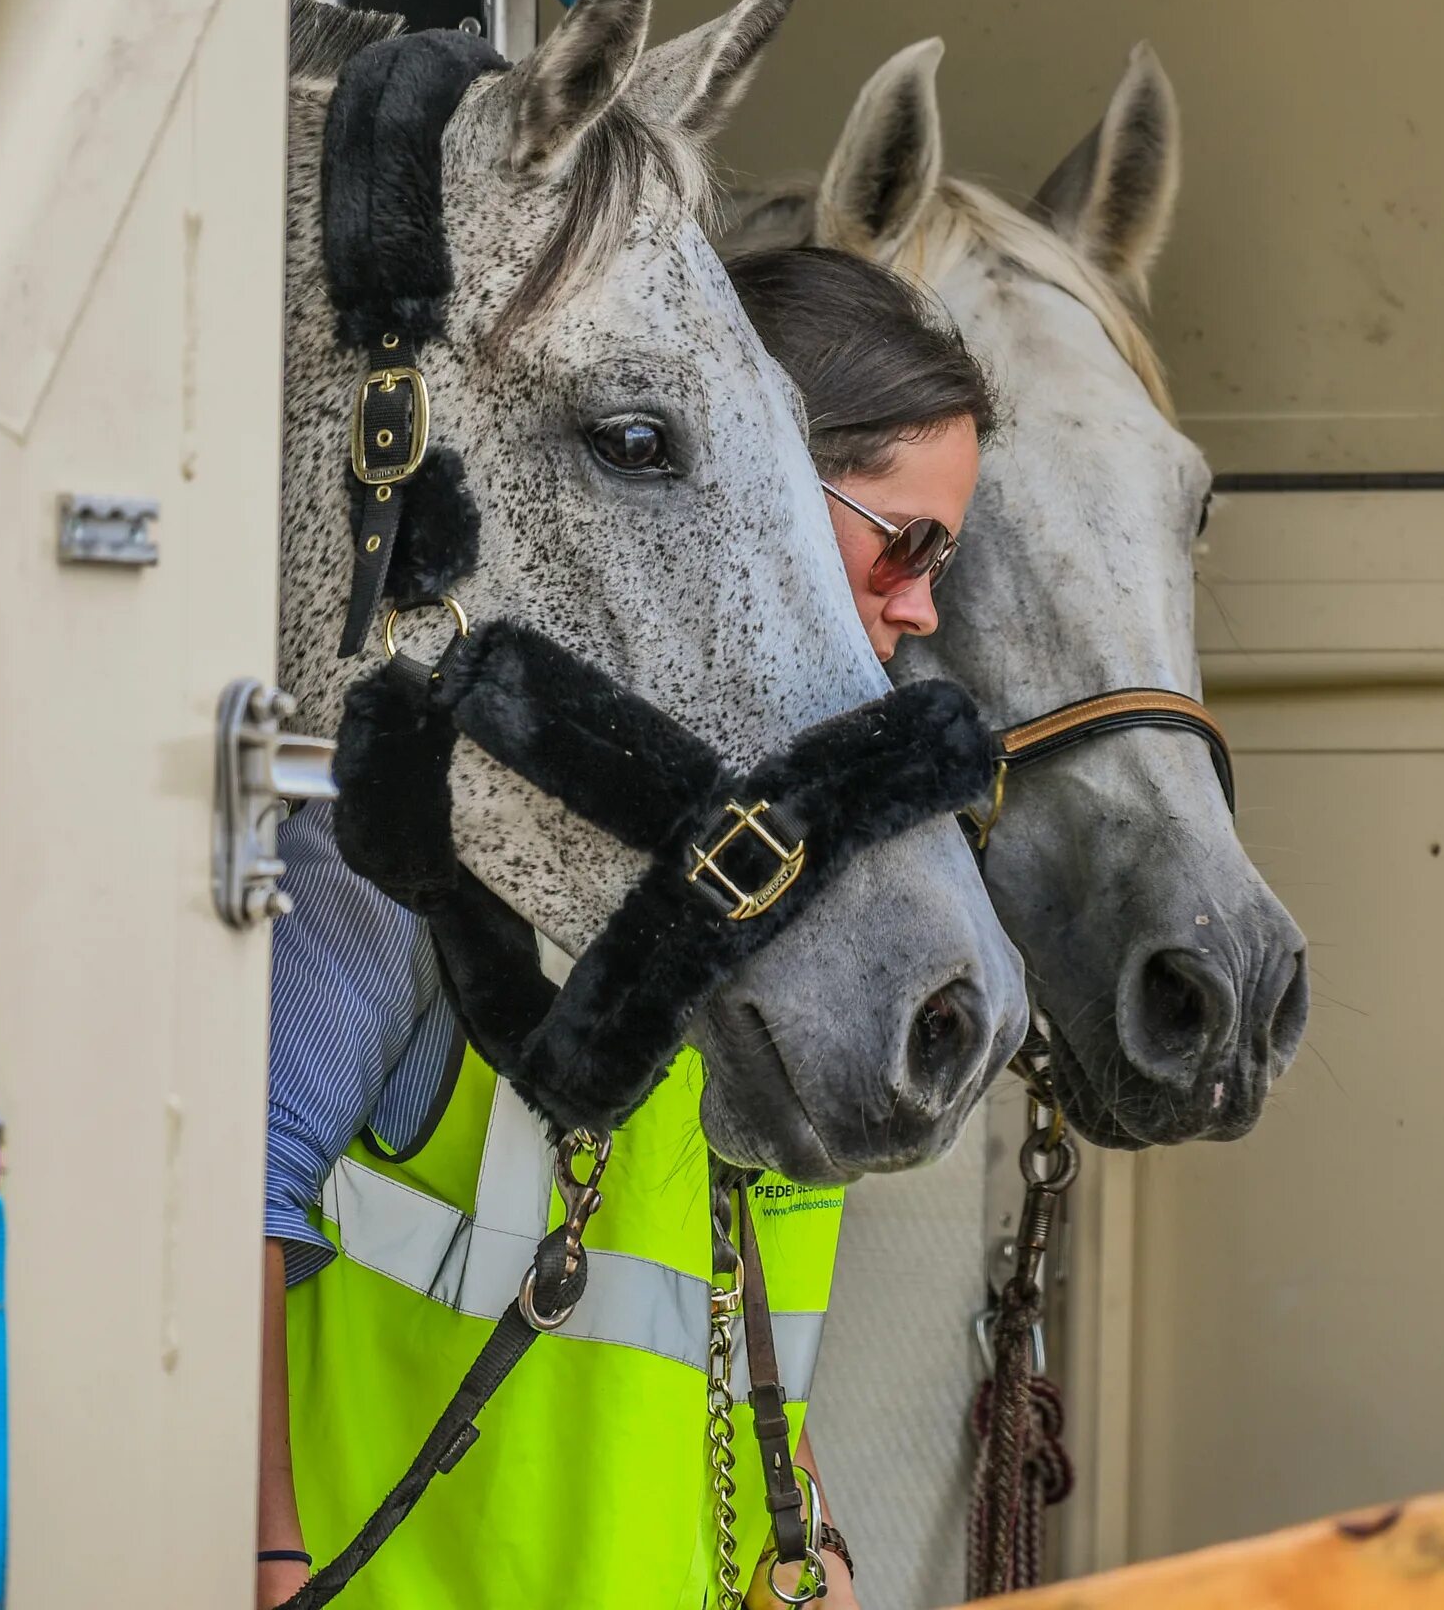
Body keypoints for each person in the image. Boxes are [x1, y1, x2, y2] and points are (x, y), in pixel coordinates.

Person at [259, 244, 1000, 1609]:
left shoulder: (805, 924)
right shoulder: (431, 838)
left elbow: (714, 1332)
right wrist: (267, 1557)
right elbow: (228, 1203)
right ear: (760, 508)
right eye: (904, 542)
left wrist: (813, 1547)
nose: (924, 607)